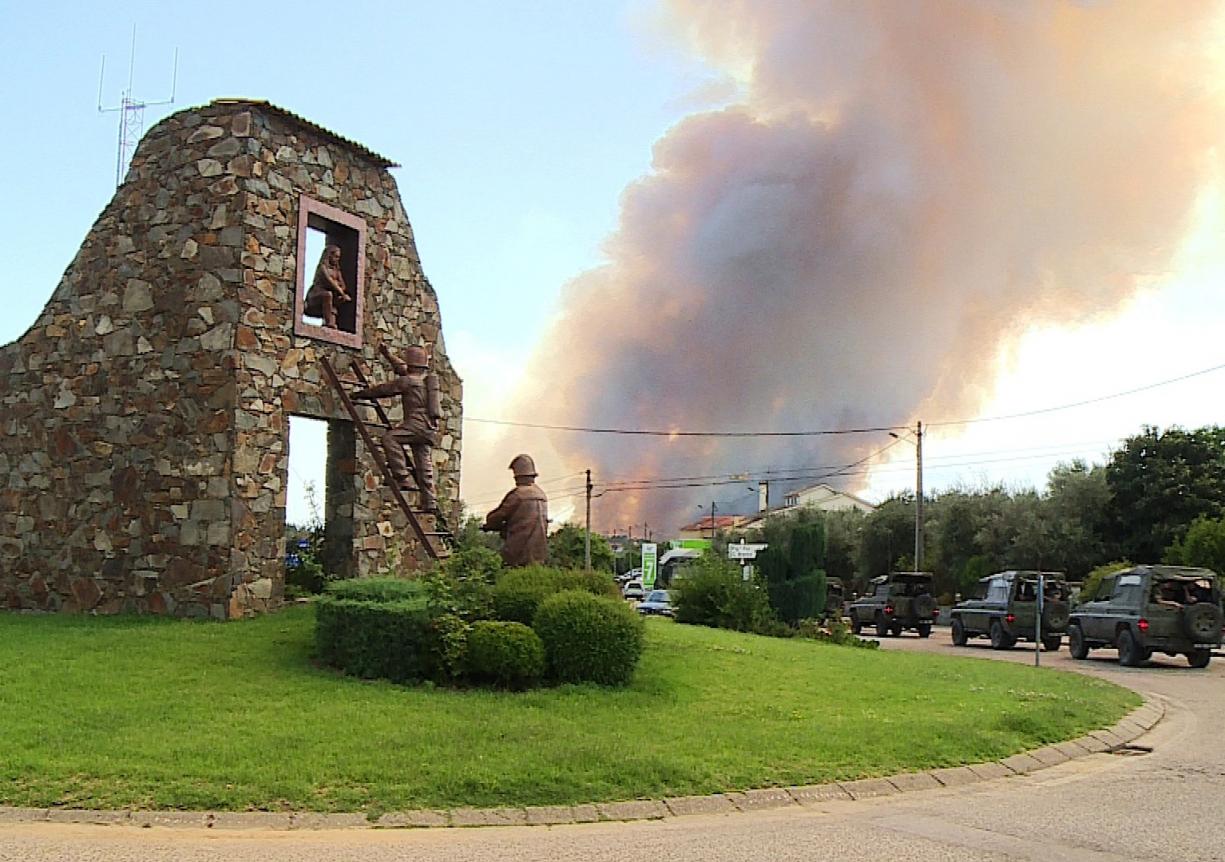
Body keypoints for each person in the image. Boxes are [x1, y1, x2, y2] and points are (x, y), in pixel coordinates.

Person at [353, 345, 442, 512]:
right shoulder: (423, 381)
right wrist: (388, 355)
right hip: (429, 428)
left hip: (415, 425)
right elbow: (401, 368)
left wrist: (361, 394)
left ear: (411, 364)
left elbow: (384, 390)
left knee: (389, 439)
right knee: (424, 465)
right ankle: (429, 502)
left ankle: (401, 477)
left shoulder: (407, 382)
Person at [482, 454, 549, 567]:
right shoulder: (542, 494)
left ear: (518, 476)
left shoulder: (518, 495)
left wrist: (489, 524)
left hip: (519, 552)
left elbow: (497, 516)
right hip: (539, 553)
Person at [304, 244, 352, 328]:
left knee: (335, 299)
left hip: (331, 297)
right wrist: (341, 292)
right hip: (316, 294)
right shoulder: (322, 268)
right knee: (328, 295)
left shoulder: (336, 271)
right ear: (329, 255)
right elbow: (329, 281)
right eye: (335, 257)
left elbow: (343, 285)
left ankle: (331, 322)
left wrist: (341, 293)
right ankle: (328, 321)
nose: (337, 260)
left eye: (338, 257)